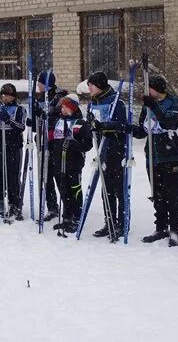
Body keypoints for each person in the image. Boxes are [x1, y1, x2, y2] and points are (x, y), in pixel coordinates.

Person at [131, 75, 178, 246]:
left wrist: (153, 106)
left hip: (169, 153)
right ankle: (161, 226)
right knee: (157, 193)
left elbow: (170, 123)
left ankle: (175, 228)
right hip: (152, 154)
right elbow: (143, 131)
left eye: (149, 89)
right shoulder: (147, 105)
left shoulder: (173, 101)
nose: (147, 92)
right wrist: (129, 129)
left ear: (158, 89)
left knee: (172, 193)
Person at [86, 71, 127, 238]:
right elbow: (92, 124)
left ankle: (121, 222)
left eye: (91, 86)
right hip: (101, 149)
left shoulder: (116, 102)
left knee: (118, 188)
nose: (89, 88)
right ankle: (109, 220)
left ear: (100, 86)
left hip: (115, 148)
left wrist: (103, 126)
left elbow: (121, 124)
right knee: (106, 189)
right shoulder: (93, 102)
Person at [50, 94, 92, 233]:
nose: (62, 109)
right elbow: (52, 137)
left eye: (65, 106)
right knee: (63, 189)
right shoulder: (58, 121)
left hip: (73, 162)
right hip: (59, 161)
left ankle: (77, 216)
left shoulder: (80, 123)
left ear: (72, 108)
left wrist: (74, 144)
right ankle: (67, 216)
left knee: (75, 189)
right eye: (62, 106)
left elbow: (87, 144)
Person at [34, 71, 68, 222]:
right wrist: (35, 119)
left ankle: (68, 206)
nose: (37, 85)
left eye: (40, 83)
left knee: (58, 174)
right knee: (44, 175)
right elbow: (37, 120)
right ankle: (52, 206)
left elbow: (64, 116)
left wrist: (50, 114)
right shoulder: (39, 97)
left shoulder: (59, 97)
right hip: (42, 140)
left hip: (56, 141)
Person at [0, 83, 26, 220]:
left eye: (8, 95)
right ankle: (2, 200)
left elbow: (21, 127)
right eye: (3, 95)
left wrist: (9, 120)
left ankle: (15, 203)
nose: (5, 98)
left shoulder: (19, 109)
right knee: (1, 173)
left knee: (13, 176)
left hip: (14, 145)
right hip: (1, 144)